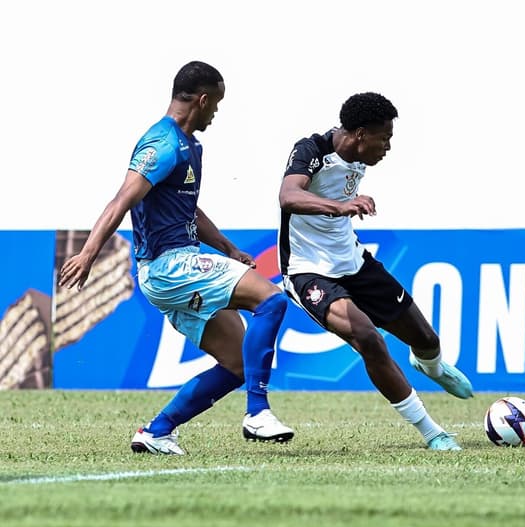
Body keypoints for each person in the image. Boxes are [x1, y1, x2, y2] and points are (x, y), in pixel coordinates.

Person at [59, 61, 295, 455]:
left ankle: (157, 431)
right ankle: (258, 412)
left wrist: (228, 248)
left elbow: (189, 210)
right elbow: (122, 199)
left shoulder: (191, 146)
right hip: (170, 267)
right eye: (216, 104)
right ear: (202, 100)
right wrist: (87, 254)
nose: (216, 113)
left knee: (238, 362)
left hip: (175, 268)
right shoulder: (163, 144)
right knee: (271, 301)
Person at [277, 91, 473, 451]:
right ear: (361, 134)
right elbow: (288, 196)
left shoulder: (358, 153)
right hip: (308, 271)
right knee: (368, 338)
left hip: (354, 262)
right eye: (385, 138)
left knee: (426, 340)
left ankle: (433, 368)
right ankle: (433, 432)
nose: (388, 146)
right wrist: (339, 207)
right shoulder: (312, 150)